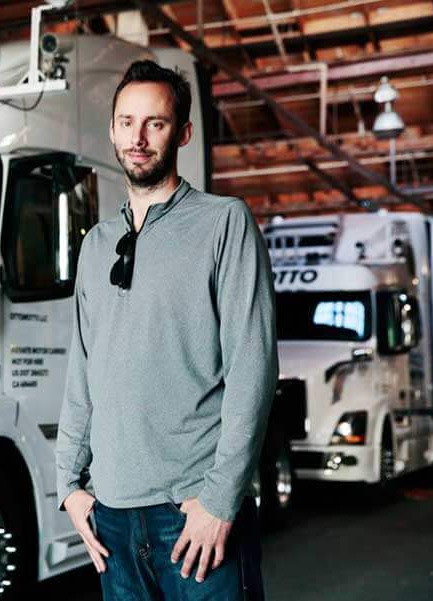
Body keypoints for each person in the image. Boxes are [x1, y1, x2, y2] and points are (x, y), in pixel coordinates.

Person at [55, 59, 278, 600]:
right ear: (111, 131)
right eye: (126, 122)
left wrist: (221, 500)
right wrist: (69, 488)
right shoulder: (95, 245)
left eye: (154, 123)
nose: (138, 137)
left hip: (192, 515)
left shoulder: (223, 223)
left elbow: (253, 365)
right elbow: (82, 372)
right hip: (111, 518)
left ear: (181, 133)